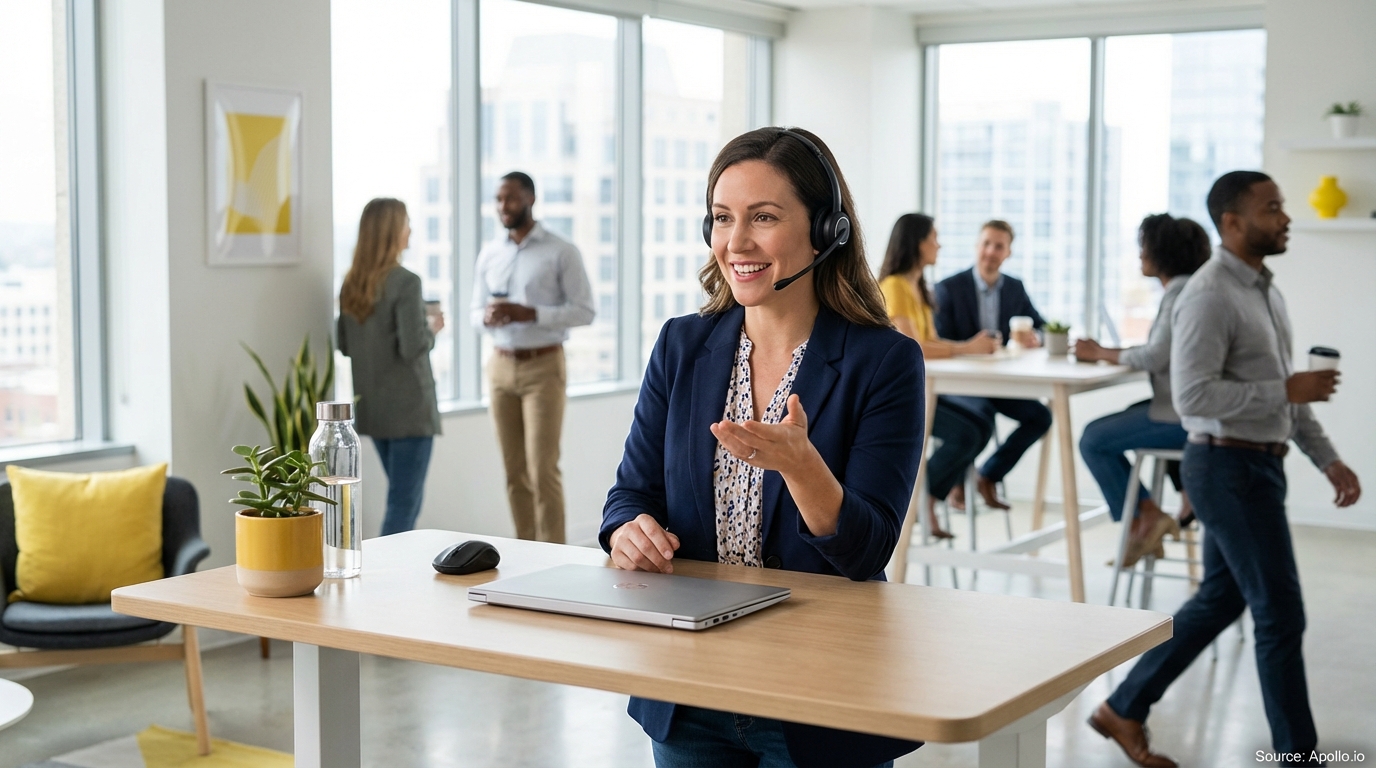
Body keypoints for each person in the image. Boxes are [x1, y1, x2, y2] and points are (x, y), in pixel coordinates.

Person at [600, 127, 924, 768]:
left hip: (819, 698)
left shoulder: (884, 361)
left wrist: (805, 471)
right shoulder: (681, 347)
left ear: (825, 230)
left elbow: (866, 552)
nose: (736, 242)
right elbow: (630, 494)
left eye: (764, 218)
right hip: (691, 690)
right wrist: (625, 532)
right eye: (722, 218)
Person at [1089, 172, 1362, 768]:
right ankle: (1298, 757)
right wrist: (1285, 388)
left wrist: (1328, 457)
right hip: (1226, 468)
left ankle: (1124, 707)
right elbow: (1193, 399)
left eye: (1283, 206)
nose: (1285, 216)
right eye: (1272, 207)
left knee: (1220, 598)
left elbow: (1288, 398)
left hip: (1256, 466)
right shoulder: (1210, 293)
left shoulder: (1265, 290)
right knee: (1280, 613)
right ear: (1232, 222)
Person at [1073, 213, 1211, 567]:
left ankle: (1146, 517)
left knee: (1093, 439)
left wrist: (1100, 352)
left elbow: (1156, 354)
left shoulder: (1178, 291)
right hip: (1193, 410)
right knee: (1132, 412)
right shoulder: (1193, 288)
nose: (1139, 256)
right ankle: (1157, 512)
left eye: (1143, 247)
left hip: (1183, 417)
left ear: (1161, 253)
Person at [470, 171, 595, 543]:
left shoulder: (561, 251)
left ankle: (553, 555)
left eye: (510, 198)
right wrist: (485, 318)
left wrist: (532, 314)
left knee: (543, 470)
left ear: (530, 199)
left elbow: (585, 311)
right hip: (499, 366)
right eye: (497, 199)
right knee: (514, 472)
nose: (502, 207)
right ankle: (525, 549)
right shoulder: (491, 253)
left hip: (544, 366)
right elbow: (473, 311)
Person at [878, 213, 999, 539]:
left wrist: (968, 347)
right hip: (902, 396)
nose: (939, 244)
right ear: (916, 243)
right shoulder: (894, 287)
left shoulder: (920, 288)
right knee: (966, 433)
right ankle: (920, 498)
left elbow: (931, 342)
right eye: (933, 237)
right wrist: (967, 348)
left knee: (982, 425)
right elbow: (913, 346)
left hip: (927, 389)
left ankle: (929, 497)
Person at [337, 198, 443, 535]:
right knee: (403, 508)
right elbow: (413, 346)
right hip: (410, 412)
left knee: (399, 503)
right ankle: (390, 582)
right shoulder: (406, 282)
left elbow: (345, 345)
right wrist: (432, 328)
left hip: (375, 411)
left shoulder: (351, 283)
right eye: (406, 222)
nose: (410, 230)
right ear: (392, 231)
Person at [933, 220, 1050, 511]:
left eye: (999, 246)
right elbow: (938, 340)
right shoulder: (948, 288)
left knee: (1040, 417)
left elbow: (1042, 326)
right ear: (977, 246)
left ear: (1008, 252)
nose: (991, 252)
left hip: (1000, 380)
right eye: (986, 244)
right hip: (960, 384)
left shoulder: (1014, 288)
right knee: (979, 415)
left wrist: (1036, 337)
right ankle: (955, 484)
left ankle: (988, 475)